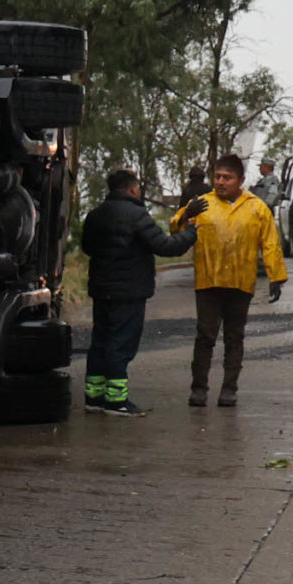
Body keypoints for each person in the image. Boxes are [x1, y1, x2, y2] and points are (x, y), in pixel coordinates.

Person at [79, 168, 200, 417]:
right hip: (129, 292)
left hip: (102, 289)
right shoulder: (137, 215)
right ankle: (116, 401)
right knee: (121, 343)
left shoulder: (95, 215)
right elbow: (165, 247)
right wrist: (191, 233)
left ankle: (94, 397)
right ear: (133, 189)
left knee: (100, 340)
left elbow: (87, 247)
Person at [167, 154, 285, 407]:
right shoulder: (202, 204)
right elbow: (174, 230)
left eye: (227, 178)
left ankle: (229, 388)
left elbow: (271, 243)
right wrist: (185, 215)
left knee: (235, 337)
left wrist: (276, 277)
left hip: (241, 284)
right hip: (208, 282)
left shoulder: (257, 208)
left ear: (240, 180)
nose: (220, 182)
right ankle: (199, 388)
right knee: (205, 336)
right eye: (217, 177)